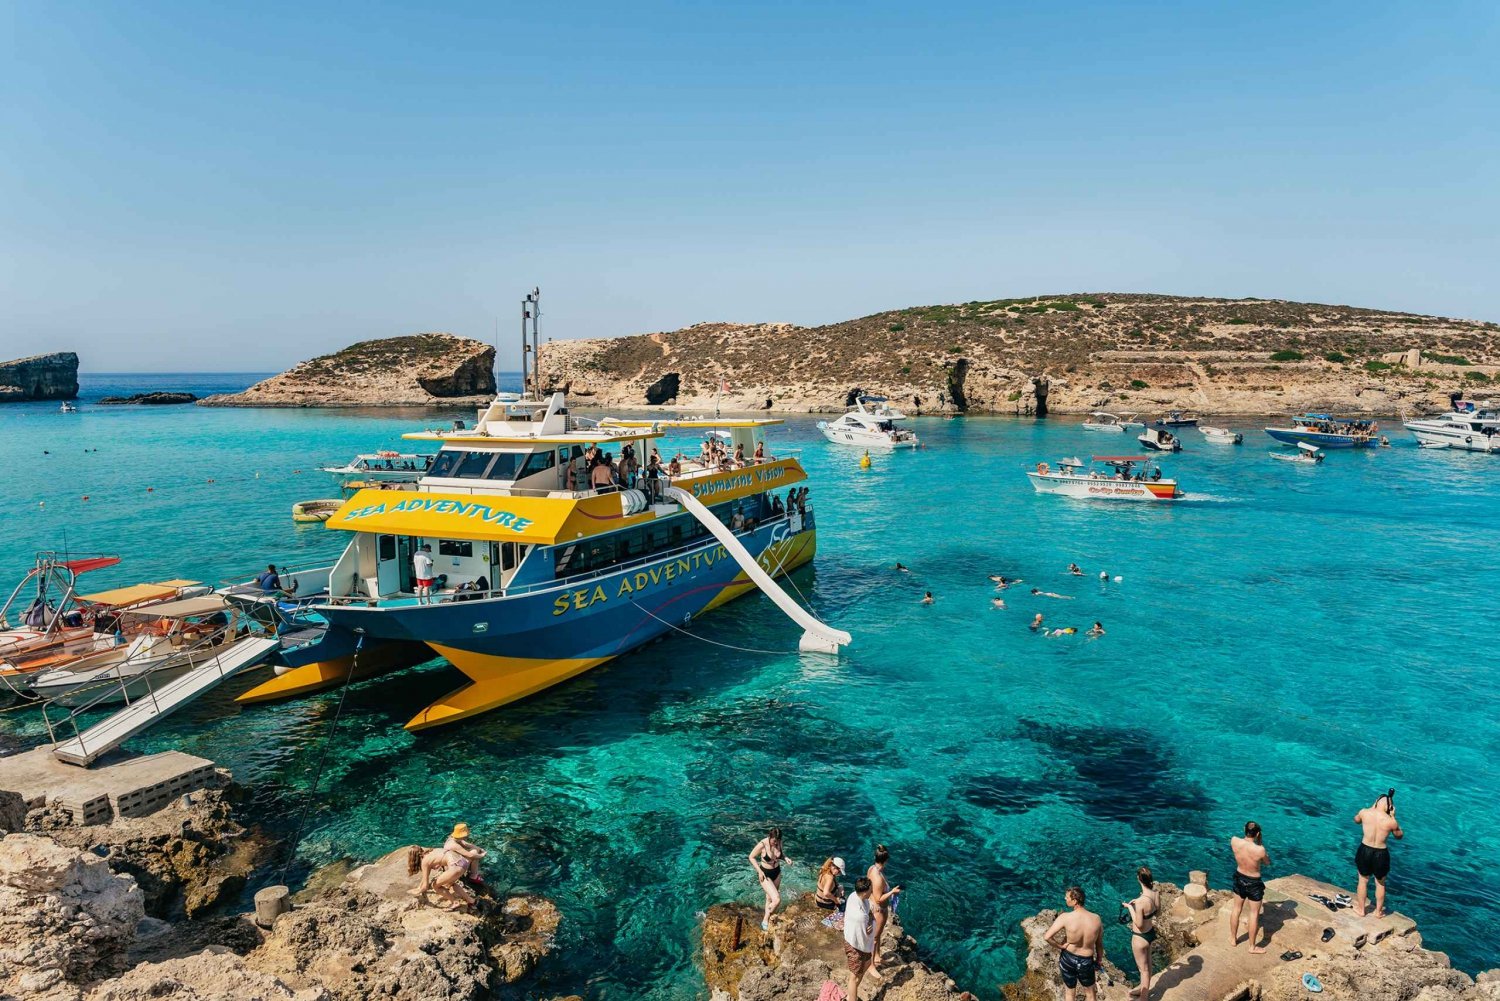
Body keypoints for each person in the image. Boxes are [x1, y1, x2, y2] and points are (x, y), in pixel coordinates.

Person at [1045, 886, 1104, 1001]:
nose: (1065, 899)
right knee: (1091, 994)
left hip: (1068, 959)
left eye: (1067, 897)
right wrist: (1099, 960)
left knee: (1069, 993)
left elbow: (1047, 937)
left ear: (1075, 901)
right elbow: (1099, 944)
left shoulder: (1065, 917)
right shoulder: (1096, 919)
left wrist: (1060, 946)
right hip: (1086, 961)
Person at [1353, 790, 1403, 917]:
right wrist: (1393, 816)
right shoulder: (1391, 821)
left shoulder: (1364, 812)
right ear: (1389, 807)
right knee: (1380, 883)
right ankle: (1378, 912)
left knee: (1362, 880)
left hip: (1365, 849)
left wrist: (1371, 808)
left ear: (1375, 802)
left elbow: (1356, 820)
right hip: (1381, 853)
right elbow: (1399, 836)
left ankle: (1361, 909)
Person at [1229, 821, 1270, 953]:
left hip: (1239, 877)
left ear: (1244, 829)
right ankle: (1252, 947)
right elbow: (1267, 863)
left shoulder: (1234, 840)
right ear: (1257, 834)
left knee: (1236, 909)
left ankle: (1233, 939)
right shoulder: (1260, 849)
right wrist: (1260, 842)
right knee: (1253, 914)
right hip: (1254, 882)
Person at [1124, 867, 1160, 999]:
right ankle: (1141, 989)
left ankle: (1144, 998)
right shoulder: (1156, 894)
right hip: (1150, 933)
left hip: (1140, 938)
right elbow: (1158, 912)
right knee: (1148, 966)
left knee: (1143, 970)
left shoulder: (1139, 902)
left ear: (1139, 879)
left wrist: (1130, 908)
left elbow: (1138, 924)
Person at [406, 845, 475, 910]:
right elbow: (425, 876)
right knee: (450, 883)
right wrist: (419, 887)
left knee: (435, 886)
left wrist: (417, 892)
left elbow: (425, 887)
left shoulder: (424, 862)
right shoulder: (432, 851)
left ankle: (455, 902)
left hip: (456, 866)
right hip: (463, 862)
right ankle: (470, 900)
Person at [867, 845, 901, 971]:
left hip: (874, 908)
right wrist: (892, 892)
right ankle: (871, 965)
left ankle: (877, 957)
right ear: (886, 860)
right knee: (875, 938)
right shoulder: (878, 878)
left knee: (878, 935)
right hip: (878, 910)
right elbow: (878, 898)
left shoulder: (872, 869)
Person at [749, 828, 790, 930]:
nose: (775, 843)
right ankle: (766, 918)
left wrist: (786, 858)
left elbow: (780, 855)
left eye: (777, 840)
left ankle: (768, 919)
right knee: (777, 899)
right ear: (769, 837)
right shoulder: (763, 844)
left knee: (769, 898)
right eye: (774, 840)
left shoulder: (779, 842)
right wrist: (759, 871)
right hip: (765, 873)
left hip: (777, 872)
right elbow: (751, 857)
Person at [844, 877, 878, 1001]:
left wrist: (870, 919)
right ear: (865, 892)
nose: (872, 891)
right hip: (854, 946)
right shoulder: (860, 917)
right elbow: (868, 932)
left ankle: (850, 996)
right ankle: (851, 998)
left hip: (854, 940)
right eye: (871, 890)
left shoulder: (854, 895)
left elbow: (869, 913)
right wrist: (872, 921)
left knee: (866, 966)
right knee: (854, 977)